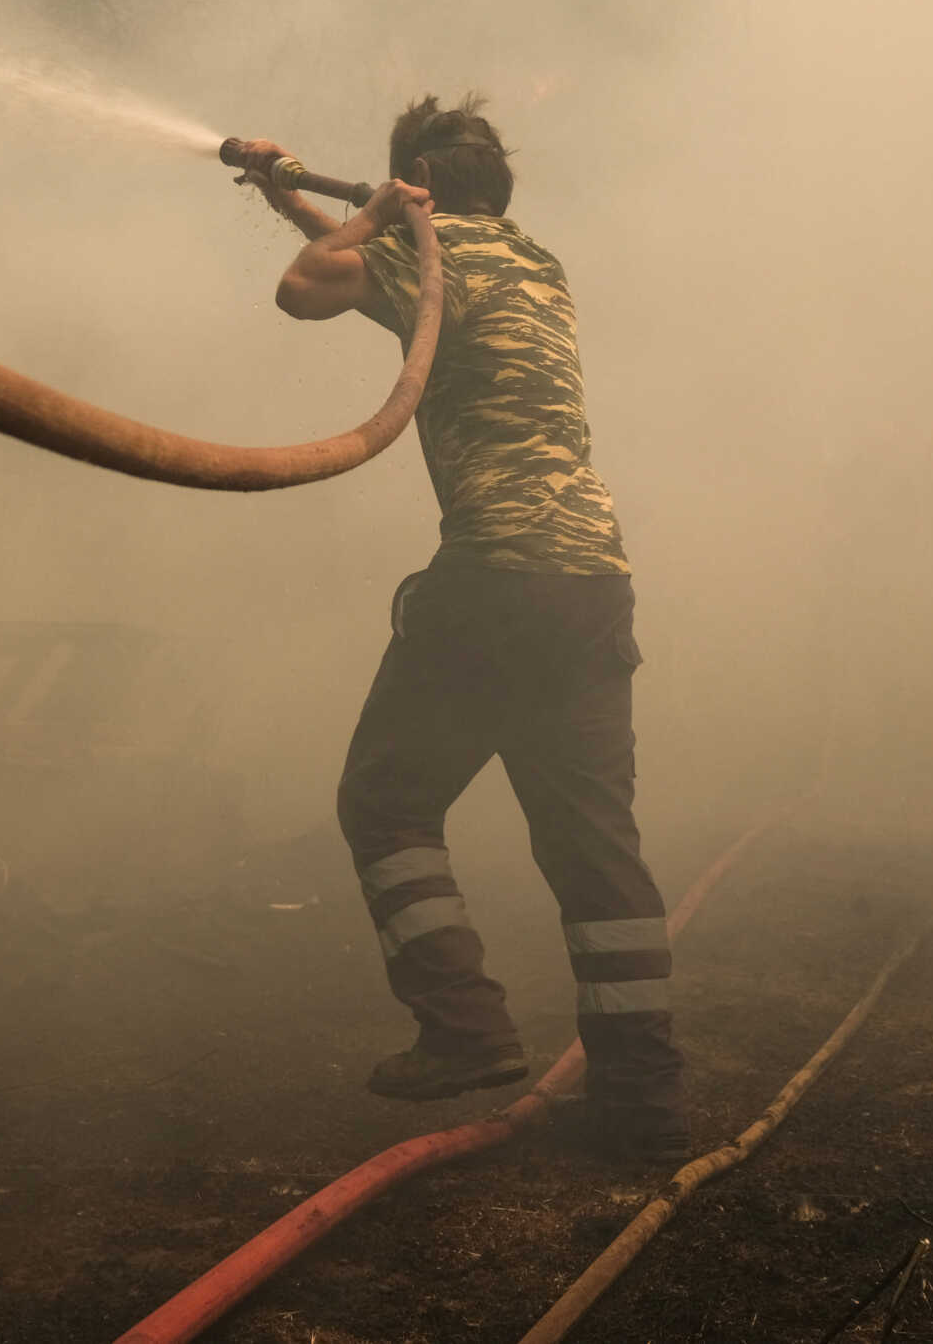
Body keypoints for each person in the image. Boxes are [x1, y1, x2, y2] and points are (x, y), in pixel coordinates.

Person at [235, 95, 685, 1161]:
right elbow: (396, 286)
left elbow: (306, 293)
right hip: (590, 584)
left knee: (385, 804)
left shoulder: (431, 254)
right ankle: (643, 1101)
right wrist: (288, 194)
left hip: (493, 580)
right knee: (595, 852)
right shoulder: (536, 262)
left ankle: (464, 1030)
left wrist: (369, 214)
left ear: (418, 186)